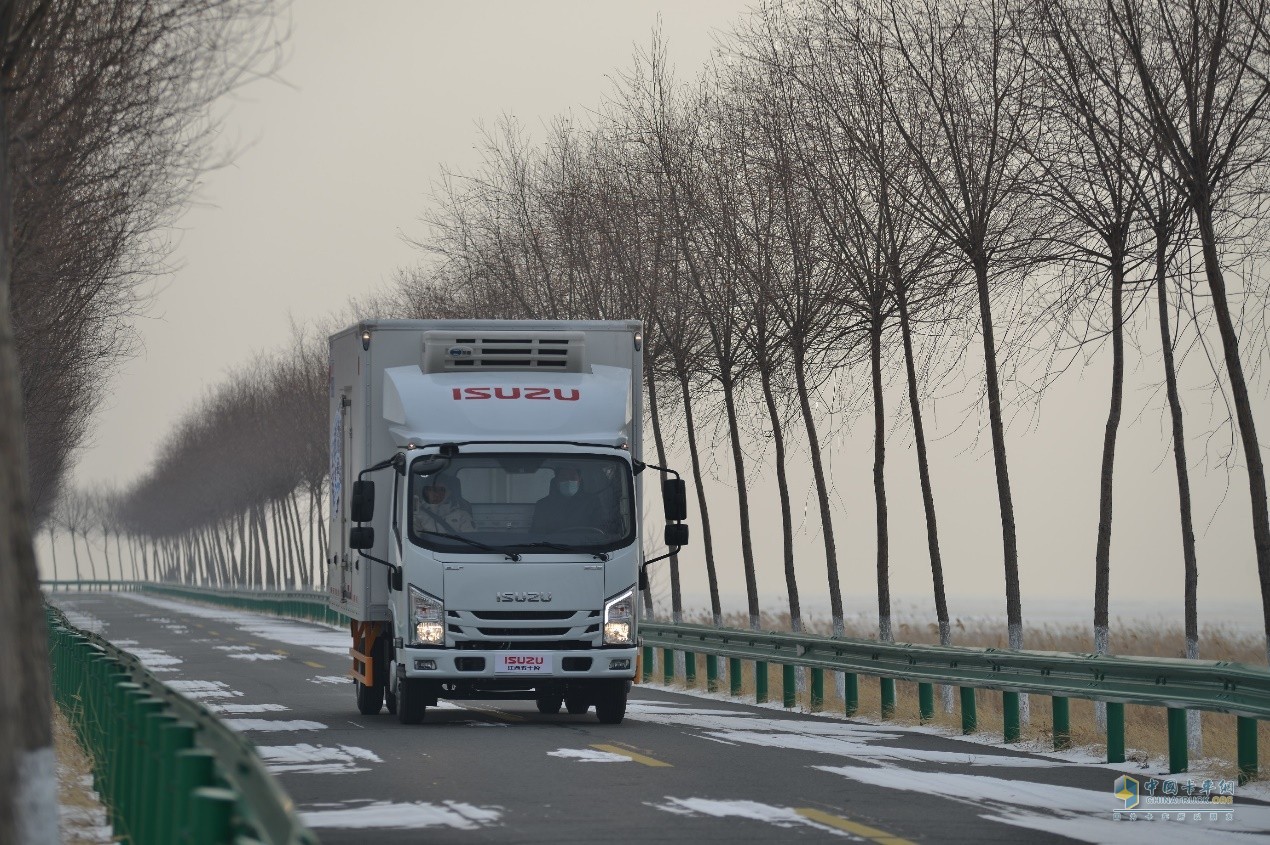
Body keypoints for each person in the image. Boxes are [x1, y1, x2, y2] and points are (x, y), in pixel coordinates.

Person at [532, 466, 597, 533]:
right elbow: (537, 534)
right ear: (557, 481)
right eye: (563, 477)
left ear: (579, 480)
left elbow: (599, 531)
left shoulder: (593, 502)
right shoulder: (543, 505)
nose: (568, 481)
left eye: (573, 477)